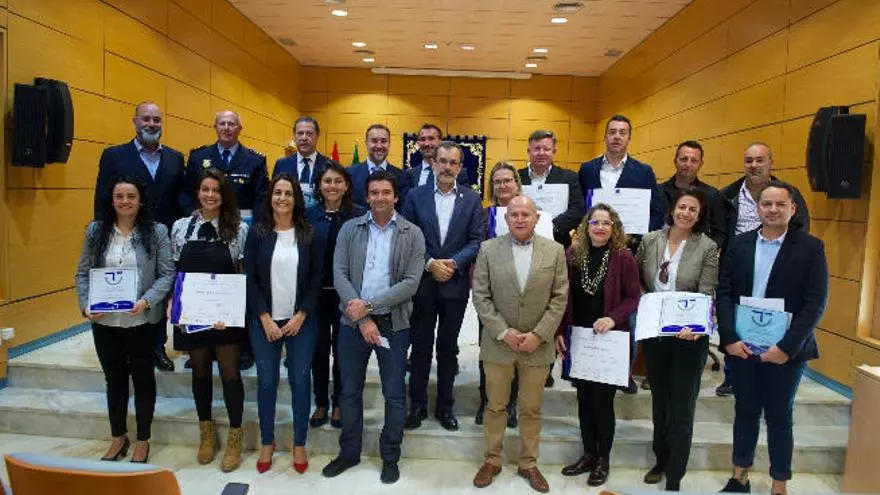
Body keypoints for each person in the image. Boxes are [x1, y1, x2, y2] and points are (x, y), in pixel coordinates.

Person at [716, 181, 828, 495]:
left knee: (779, 416)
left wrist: (786, 348)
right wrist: (729, 338)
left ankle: (779, 485)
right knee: (745, 411)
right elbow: (724, 293)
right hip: (743, 347)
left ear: (793, 209)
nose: (773, 210)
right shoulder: (739, 244)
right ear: (757, 209)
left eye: (781, 204)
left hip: (786, 352)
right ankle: (739, 477)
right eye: (767, 204)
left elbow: (815, 303)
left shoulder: (811, 248)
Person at [321, 170, 426, 484]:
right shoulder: (350, 229)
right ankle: (349, 452)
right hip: (352, 323)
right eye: (374, 192)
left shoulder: (412, 233)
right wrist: (362, 317)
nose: (380, 197)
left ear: (396, 196)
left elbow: (411, 283)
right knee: (349, 391)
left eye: (386, 192)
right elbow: (339, 274)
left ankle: (390, 456)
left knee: (394, 394)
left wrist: (368, 307)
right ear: (366, 197)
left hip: (394, 323)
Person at [471, 196, 568, 493]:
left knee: (531, 409)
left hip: (537, 345)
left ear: (537, 218)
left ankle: (528, 463)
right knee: (495, 406)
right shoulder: (488, 249)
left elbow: (560, 297)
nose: (520, 219)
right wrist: (503, 332)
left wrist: (539, 334)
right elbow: (481, 295)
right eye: (514, 214)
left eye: (526, 214)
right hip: (498, 344)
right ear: (506, 218)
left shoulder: (555, 251)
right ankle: (492, 459)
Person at [75, 176, 174, 464]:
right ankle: (118, 437)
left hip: (141, 320)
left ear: (140, 201)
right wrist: (86, 306)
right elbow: (82, 273)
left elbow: (167, 274)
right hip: (105, 322)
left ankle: (143, 439)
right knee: (114, 380)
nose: (125, 201)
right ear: (112, 200)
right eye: (119, 196)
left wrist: (147, 300)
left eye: (131, 196)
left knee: (143, 379)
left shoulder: (156, 232)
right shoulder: (96, 231)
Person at [635, 187, 719, 491]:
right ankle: (661, 458)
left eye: (693, 209)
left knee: (682, 405)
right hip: (656, 335)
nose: (686, 213)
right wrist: (645, 307)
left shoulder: (707, 247)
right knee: (660, 402)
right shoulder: (650, 240)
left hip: (689, 337)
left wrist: (694, 325)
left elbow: (706, 291)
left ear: (699, 215)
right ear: (672, 210)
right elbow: (637, 279)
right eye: (682, 207)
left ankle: (675, 472)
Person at [93, 101, 185, 372]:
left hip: (163, 237)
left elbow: (180, 199)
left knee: (159, 291)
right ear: (135, 122)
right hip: (124, 234)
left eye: (156, 120)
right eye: (146, 119)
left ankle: (157, 347)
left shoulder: (175, 158)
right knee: (129, 288)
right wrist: (103, 237)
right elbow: (102, 198)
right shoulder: (114, 156)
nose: (151, 124)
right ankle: (124, 346)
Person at [715, 142, 810, 397]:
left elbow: (801, 231)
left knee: (772, 322)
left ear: (770, 163)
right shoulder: (727, 195)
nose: (754, 165)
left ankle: (773, 366)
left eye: (760, 160)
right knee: (738, 321)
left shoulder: (789, 194)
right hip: (740, 266)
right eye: (749, 160)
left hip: (777, 265)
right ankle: (733, 376)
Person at [244, 174, 324, 474]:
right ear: (270, 197)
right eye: (277, 192)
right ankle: (268, 440)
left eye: (288, 193)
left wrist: (301, 315)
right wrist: (264, 316)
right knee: (267, 382)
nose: (282, 198)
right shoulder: (258, 232)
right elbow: (250, 277)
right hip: (265, 320)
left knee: (300, 381)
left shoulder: (309, 233)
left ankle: (299, 442)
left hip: (301, 320)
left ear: (296, 198)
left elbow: (317, 278)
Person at [170, 168, 249, 472]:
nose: (210, 195)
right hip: (193, 314)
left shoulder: (238, 230)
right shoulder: (180, 228)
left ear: (224, 194)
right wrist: (176, 307)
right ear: (198, 192)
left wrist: (231, 311)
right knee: (200, 371)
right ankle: (206, 433)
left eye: (216, 190)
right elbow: (175, 272)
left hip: (225, 316)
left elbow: (242, 274)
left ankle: (234, 436)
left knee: (230, 373)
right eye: (205, 189)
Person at [401, 141, 484, 432]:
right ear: (433, 163)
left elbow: (476, 239)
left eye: (453, 163)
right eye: (443, 161)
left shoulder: (471, 199)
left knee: (448, 349)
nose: (447, 167)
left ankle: (445, 407)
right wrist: (429, 263)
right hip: (423, 285)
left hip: (454, 285)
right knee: (420, 348)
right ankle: (417, 405)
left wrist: (453, 263)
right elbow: (406, 235)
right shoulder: (415, 196)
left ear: (460, 167)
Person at [556, 204, 640, 487]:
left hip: (609, 339)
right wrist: (560, 331)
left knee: (603, 403)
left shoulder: (623, 257)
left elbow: (633, 297)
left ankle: (603, 458)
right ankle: (588, 454)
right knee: (584, 400)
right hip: (579, 338)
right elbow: (563, 296)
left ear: (614, 227)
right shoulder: (572, 254)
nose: (600, 227)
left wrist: (613, 318)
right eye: (595, 222)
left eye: (606, 223)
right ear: (586, 226)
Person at [306, 162, 365, 429]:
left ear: (347, 186)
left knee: (343, 352)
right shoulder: (308, 215)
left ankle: (339, 402)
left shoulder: (359, 215)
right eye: (327, 181)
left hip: (347, 296)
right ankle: (320, 402)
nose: (332, 186)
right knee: (318, 351)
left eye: (338, 181)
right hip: (316, 296)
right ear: (319, 186)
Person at [475, 162, 523, 427]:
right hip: (491, 294)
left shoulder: (532, 213)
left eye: (507, 180)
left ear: (517, 183)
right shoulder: (484, 216)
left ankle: (510, 404)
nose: (503, 185)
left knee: (515, 352)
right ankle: (486, 401)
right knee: (490, 350)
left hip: (523, 295)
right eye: (497, 181)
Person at [578, 114, 666, 236]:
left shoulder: (644, 172)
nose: (617, 136)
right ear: (605, 137)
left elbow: (657, 213)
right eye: (612, 132)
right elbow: (579, 207)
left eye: (622, 133)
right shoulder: (587, 169)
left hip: (631, 244)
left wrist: (638, 236)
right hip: (593, 241)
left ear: (629, 139)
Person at [182, 110, 269, 218]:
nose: (226, 128)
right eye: (222, 123)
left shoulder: (255, 161)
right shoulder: (198, 157)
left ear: (239, 129)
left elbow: (262, 198)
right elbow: (186, 192)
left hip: (242, 223)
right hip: (205, 221)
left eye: (231, 124)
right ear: (215, 128)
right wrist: (191, 212)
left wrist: (256, 225)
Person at [517, 129, 585, 248]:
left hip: (558, 242)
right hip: (521, 242)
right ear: (529, 151)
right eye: (537, 148)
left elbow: (577, 209)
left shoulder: (569, 177)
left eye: (546, 149)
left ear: (553, 152)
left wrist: (550, 227)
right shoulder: (516, 178)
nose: (541, 153)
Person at [658, 141, 727, 248]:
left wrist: (702, 253)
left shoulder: (712, 195)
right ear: (675, 161)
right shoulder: (658, 192)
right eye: (684, 159)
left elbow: (719, 233)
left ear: (701, 164)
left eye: (694, 161)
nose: (688, 164)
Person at [272, 116, 335, 208]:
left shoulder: (329, 165)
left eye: (309, 133)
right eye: (300, 133)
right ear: (294, 135)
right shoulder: (281, 165)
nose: (304, 138)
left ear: (317, 136)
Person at [398, 123, 470, 201]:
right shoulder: (409, 175)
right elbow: (406, 204)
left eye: (431, 139)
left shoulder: (458, 173)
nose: (426, 144)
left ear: (440, 141)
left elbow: (466, 201)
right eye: (422, 139)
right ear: (418, 143)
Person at [348, 124, 403, 210]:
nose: (379, 146)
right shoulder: (349, 174)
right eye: (374, 141)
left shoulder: (402, 176)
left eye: (383, 141)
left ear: (389, 144)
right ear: (366, 143)